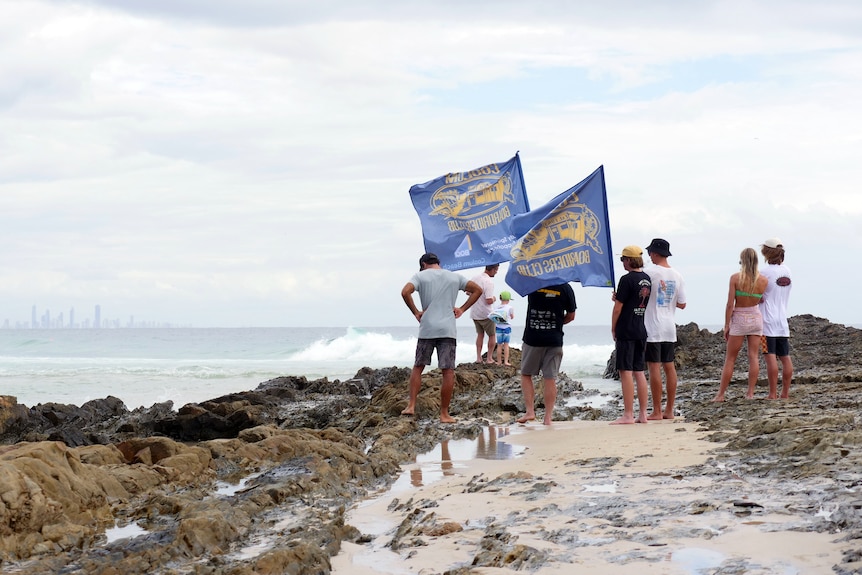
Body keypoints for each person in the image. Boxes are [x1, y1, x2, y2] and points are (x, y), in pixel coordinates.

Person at [400, 253, 482, 423]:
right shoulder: (454, 276)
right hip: (448, 329)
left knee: (418, 367)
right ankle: (444, 414)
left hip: (427, 328)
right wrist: (462, 309)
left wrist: (416, 312)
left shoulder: (420, 276)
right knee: (448, 371)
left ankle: (411, 406)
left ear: (423, 264)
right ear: (439, 263)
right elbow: (478, 290)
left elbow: (405, 292)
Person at [712, 247, 768, 402]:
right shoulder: (763, 280)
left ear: (742, 261)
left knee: (730, 358)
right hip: (756, 318)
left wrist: (726, 325)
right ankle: (750, 393)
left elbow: (730, 304)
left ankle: (721, 394)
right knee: (753, 356)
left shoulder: (735, 278)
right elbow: (760, 299)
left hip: (739, 317)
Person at [516, 283, 576, 425]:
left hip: (533, 338)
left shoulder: (532, 283)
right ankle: (548, 417)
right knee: (550, 378)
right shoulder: (565, 287)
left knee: (526, 374)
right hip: (554, 339)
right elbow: (571, 315)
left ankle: (530, 411)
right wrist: (558, 322)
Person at [643, 238, 687, 420]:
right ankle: (669, 409)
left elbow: (640, 295)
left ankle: (657, 411)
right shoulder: (677, 275)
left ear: (654, 253)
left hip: (652, 325)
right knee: (669, 367)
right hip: (669, 326)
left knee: (654, 367)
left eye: (649, 253)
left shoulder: (649, 273)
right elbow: (682, 304)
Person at [611, 245, 652, 424]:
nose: (623, 263)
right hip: (640, 328)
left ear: (629, 260)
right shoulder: (646, 279)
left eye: (623, 260)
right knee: (639, 372)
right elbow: (635, 299)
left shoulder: (626, 279)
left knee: (625, 371)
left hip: (626, 329)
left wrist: (613, 327)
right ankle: (643, 414)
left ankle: (628, 414)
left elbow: (618, 307)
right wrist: (619, 297)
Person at [760, 237, 793, 399]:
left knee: (770, 356)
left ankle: (772, 393)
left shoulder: (764, 273)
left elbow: (758, 296)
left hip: (767, 320)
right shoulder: (787, 271)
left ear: (766, 252)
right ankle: (785, 393)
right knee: (785, 357)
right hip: (782, 320)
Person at [469, 264, 499, 364]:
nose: (496, 272)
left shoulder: (475, 278)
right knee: (492, 335)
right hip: (486, 313)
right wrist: (495, 298)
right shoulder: (489, 282)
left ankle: (478, 357)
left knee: (480, 335)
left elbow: (467, 292)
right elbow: (489, 300)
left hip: (475, 312)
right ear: (493, 269)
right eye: (496, 270)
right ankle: (489, 358)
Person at [490, 291, 515, 366]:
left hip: (498, 328)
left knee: (499, 345)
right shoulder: (510, 307)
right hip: (507, 328)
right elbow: (512, 317)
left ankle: (499, 361)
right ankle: (506, 361)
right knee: (506, 345)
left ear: (500, 299)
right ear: (508, 300)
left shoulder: (497, 307)